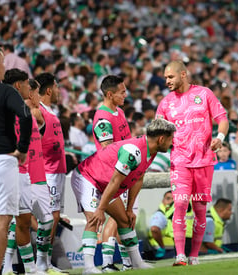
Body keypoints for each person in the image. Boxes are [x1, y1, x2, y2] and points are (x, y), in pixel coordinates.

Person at [70, 118, 175, 274]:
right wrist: (101, 208)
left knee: (125, 220)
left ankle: (137, 263)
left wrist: (129, 208)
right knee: (94, 218)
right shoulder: (133, 152)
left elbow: (138, 178)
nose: (172, 143)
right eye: (170, 139)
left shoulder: (150, 151)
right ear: (161, 139)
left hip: (104, 182)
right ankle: (88, 267)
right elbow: (114, 181)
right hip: (87, 177)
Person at [156, 60, 229, 266]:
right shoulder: (165, 104)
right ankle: (180, 256)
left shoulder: (204, 94)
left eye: (170, 77)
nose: (167, 81)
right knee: (179, 203)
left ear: (183, 75)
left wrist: (220, 138)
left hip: (204, 161)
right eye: (166, 78)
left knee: (199, 209)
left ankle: (194, 255)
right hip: (179, 161)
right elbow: (157, 133)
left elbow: (222, 118)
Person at [0, 45, 32, 275]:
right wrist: (21, 149)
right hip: (1, 160)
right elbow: (26, 116)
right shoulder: (6, 91)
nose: (4, 67)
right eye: (3, 63)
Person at [1, 70, 55, 275]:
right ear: (18, 86)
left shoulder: (28, 112)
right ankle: (11, 267)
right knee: (14, 221)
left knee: (40, 221)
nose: (31, 91)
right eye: (26, 85)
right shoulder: (5, 111)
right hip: (18, 173)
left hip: (36, 173)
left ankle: (39, 265)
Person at [92, 75, 133, 272]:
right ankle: (108, 262)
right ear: (110, 94)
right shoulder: (103, 117)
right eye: (122, 92)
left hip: (124, 172)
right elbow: (107, 149)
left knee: (121, 218)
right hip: (112, 175)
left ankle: (126, 261)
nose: (125, 95)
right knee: (117, 218)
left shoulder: (119, 112)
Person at [36, 72, 67, 270]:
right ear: (49, 89)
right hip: (49, 172)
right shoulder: (38, 111)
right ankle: (44, 263)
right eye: (56, 87)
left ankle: (45, 262)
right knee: (50, 216)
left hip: (58, 171)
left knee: (54, 216)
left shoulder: (49, 111)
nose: (58, 92)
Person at [148, 192, 194, 259]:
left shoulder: (174, 210)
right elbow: (154, 229)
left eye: (173, 199)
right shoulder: (160, 214)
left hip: (173, 246)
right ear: (163, 201)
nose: (171, 201)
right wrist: (162, 247)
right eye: (168, 198)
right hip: (165, 250)